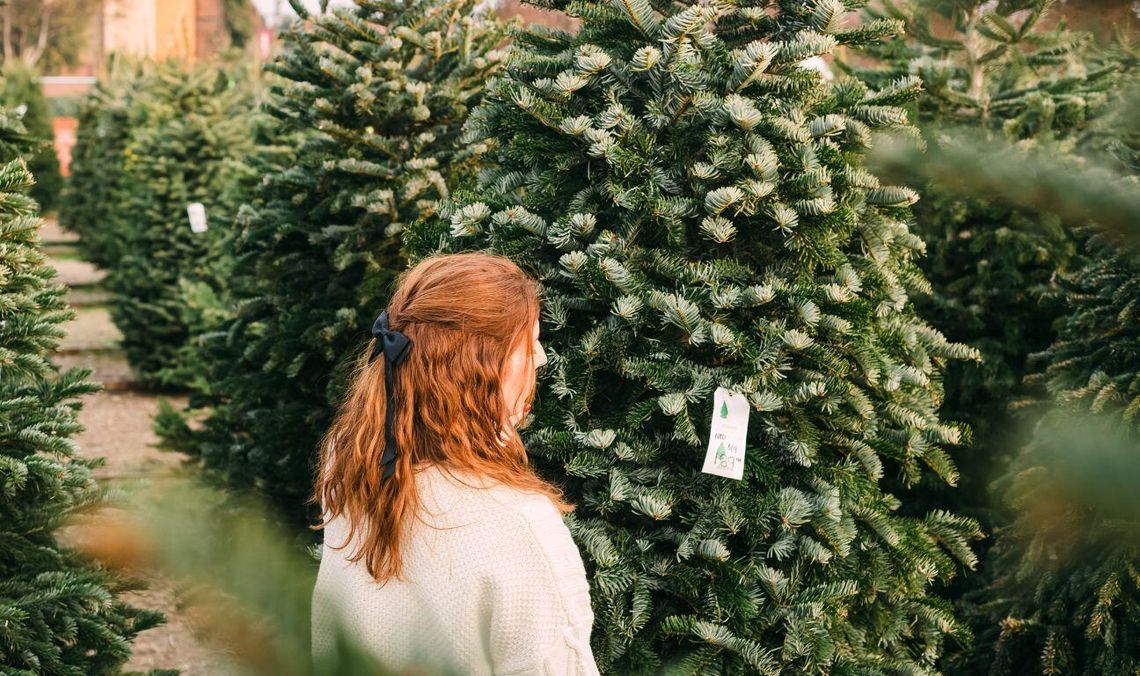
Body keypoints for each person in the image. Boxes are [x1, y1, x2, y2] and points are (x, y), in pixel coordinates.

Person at [309, 252, 599, 675]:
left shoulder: (349, 458)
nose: (541, 359)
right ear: (476, 367)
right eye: (527, 344)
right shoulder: (518, 526)